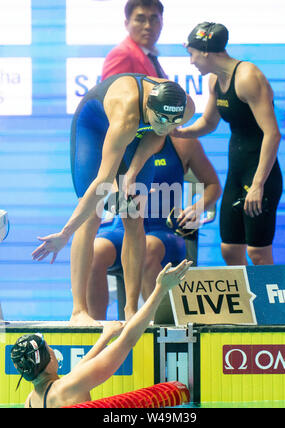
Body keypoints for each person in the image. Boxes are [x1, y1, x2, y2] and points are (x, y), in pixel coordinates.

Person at [31, 73, 195, 325]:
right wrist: (65, 233)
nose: (167, 125)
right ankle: (78, 310)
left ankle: (130, 309)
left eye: (173, 122)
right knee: (92, 215)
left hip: (139, 133)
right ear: (149, 107)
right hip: (95, 127)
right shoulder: (127, 114)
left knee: (133, 215)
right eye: (161, 118)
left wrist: (131, 172)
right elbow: (102, 182)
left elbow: (157, 134)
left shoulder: (183, 108)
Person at [10, 259, 192, 408]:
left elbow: (78, 371)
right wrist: (160, 290)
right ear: (50, 358)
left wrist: (104, 337)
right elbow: (127, 340)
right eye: (50, 349)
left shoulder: (30, 402)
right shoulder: (68, 387)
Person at [173, 22, 283, 266]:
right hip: (237, 173)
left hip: (260, 177)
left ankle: (268, 304)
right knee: (230, 250)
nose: (191, 61)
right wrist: (179, 133)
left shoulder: (248, 78)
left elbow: (272, 134)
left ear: (205, 51)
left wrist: (257, 185)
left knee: (257, 253)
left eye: (191, 54)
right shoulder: (215, 80)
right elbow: (209, 123)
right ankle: (249, 304)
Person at [87, 137, 221, 319]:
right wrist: (121, 197)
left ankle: (155, 329)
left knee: (148, 247)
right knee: (95, 251)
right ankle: (95, 331)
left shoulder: (183, 144)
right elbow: (106, 190)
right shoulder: (120, 141)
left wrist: (197, 208)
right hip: (124, 230)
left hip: (166, 233)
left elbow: (213, 185)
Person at [101, 0, 167, 81]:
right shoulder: (122, 54)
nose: (148, 26)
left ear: (162, 23)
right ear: (126, 24)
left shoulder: (150, 56)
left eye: (153, 20)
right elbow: (111, 92)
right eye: (140, 20)